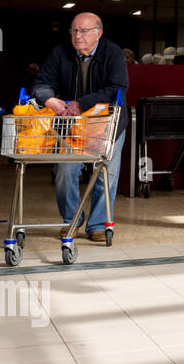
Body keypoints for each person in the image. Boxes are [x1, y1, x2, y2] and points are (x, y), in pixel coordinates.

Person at [33, 13, 130, 243]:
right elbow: (41, 83)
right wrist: (49, 99)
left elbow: (118, 87)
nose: (78, 36)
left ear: (98, 33)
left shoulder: (113, 53)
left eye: (84, 31)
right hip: (72, 126)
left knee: (106, 175)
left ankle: (97, 225)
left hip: (107, 124)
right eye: (74, 31)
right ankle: (72, 219)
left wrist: (81, 103)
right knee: (65, 173)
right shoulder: (60, 53)